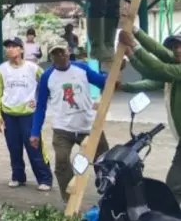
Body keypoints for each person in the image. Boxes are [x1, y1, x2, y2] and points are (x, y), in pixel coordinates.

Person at [30, 40, 109, 203]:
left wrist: (114, 71)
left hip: (88, 126)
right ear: (51, 57)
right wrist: (35, 132)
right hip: (62, 129)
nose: (60, 56)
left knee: (105, 162)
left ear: (68, 52)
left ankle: (108, 193)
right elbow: (41, 107)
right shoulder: (47, 77)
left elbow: (102, 82)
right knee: (61, 164)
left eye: (62, 52)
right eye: (55, 53)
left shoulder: (82, 68)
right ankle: (69, 201)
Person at [117, 28, 181, 200]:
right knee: (175, 185)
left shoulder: (177, 70)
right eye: (175, 46)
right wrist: (135, 36)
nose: (177, 50)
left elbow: (158, 67)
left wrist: (133, 44)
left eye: (180, 46)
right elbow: (151, 72)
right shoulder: (175, 68)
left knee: (175, 186)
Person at [0, 37, 52, 191]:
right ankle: (18, 176)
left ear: (21, 49)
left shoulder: (33, 68)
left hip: (28, 114)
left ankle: (44, 178)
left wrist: (38, 101)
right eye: (8, 47)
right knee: (14, 147)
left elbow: (48, 83)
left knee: (34, 146)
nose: (10, 49)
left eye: (13, 46)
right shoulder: (1, 70)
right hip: (9, 114)